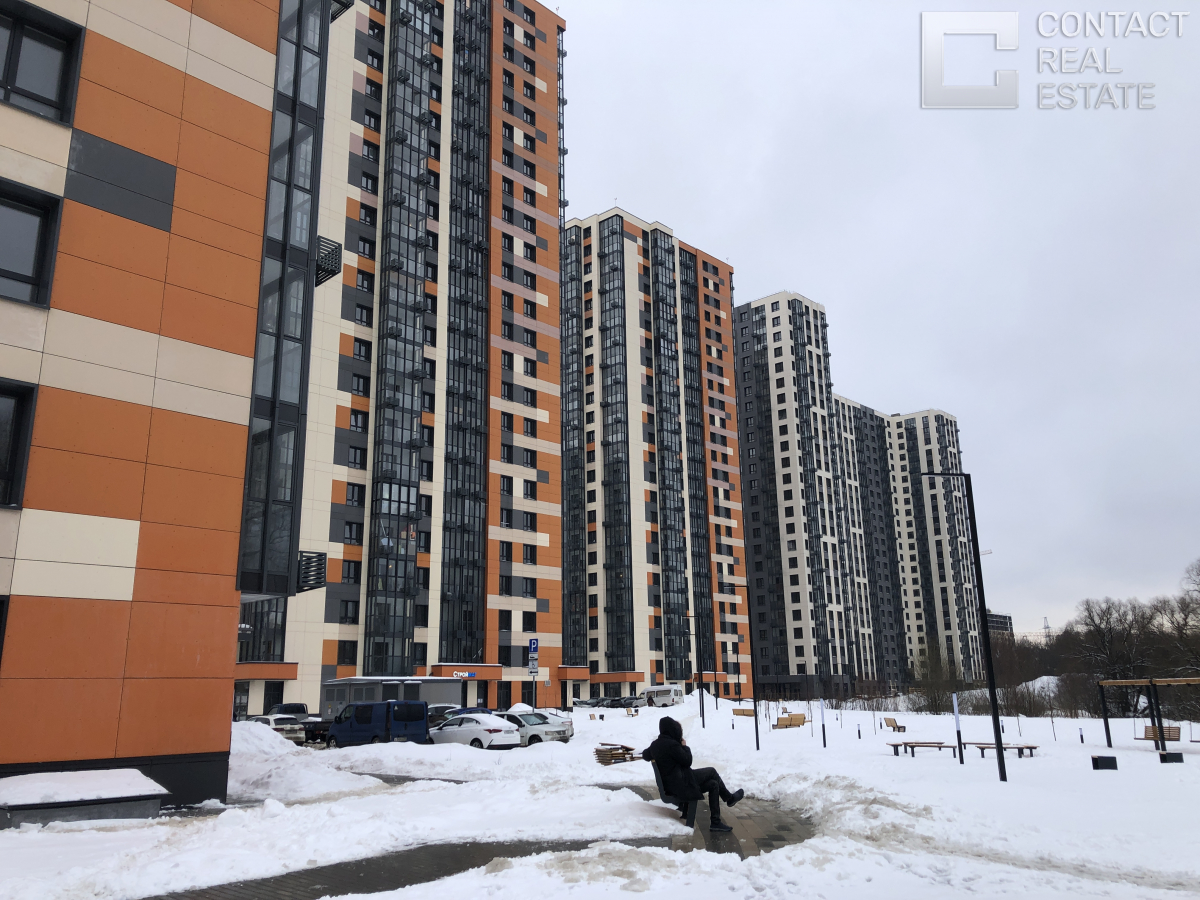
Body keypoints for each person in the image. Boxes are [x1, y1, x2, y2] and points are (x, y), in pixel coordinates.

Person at [641, 716, 744, 832]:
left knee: (713, 784)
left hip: (674, 784)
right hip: (682, 784)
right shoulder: (672, 745)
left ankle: (716, 822)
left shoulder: (655, 745)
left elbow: (645, 755)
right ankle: (729, 798)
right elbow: (687, 761)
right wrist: (685, 747)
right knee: (712, 771)